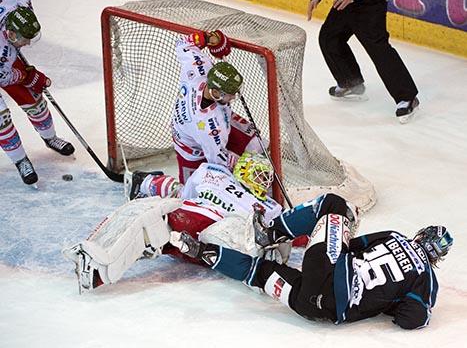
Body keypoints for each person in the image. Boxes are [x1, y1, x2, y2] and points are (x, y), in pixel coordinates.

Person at [171, 193, 453, 329]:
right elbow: (412, 319)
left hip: (327, 267)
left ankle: (271, 232)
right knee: (260, 273)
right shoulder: (426, 279)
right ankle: (201, 252)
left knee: (332, 204)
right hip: (316, 307)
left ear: (421, 234)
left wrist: (324, 236)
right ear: (437, 257)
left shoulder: (395, 236)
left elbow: (352, 244)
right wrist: (387, 301)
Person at [63, 152, 288, 294]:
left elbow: (283, 233)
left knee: (234, 231)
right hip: (190, 219)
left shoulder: (270, 207)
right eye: (259, 174)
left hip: (218, 240)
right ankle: (95, 269)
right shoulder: (214, 173)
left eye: (266, 177)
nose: (264, 181)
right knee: (144, 215)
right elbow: (184, 195)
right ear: (242, 169)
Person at [171, 29, 264, 183]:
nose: (233, 97)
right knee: (192, 191)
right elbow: (219, 165)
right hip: (190, 148)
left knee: (259, 145)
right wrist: (238, 164)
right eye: (229, 94)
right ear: (215, 92)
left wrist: (209, 39)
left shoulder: (198, 67)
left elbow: (184, 43)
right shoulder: (210, 128)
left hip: (219, 123)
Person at [307, 0, 419, 124]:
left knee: (377, 48)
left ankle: (408, 98)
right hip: (346, 2)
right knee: (330, 37)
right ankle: (350, 82)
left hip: (370, 4)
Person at [0, 1, 75, 185]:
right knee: (1, 120)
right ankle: (20, 159)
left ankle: (50, 138)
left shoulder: (19, 3)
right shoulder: (4, 52)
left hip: (6, 59)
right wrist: (29, 77)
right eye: (24, 39)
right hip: (3, 68)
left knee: (35, 102)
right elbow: (5, 77)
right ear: (10, 34)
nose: (28, 43)